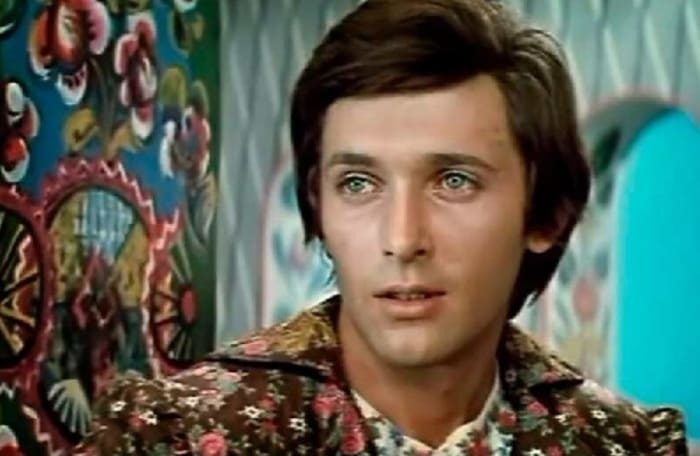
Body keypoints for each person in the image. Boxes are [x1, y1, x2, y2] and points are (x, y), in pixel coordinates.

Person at [76, 0, 688, 454]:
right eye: (358, 184)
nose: (402, 239)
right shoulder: (179, 435)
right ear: (318, 207)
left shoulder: (621, 443)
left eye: (454, 181)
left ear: (546, 214)